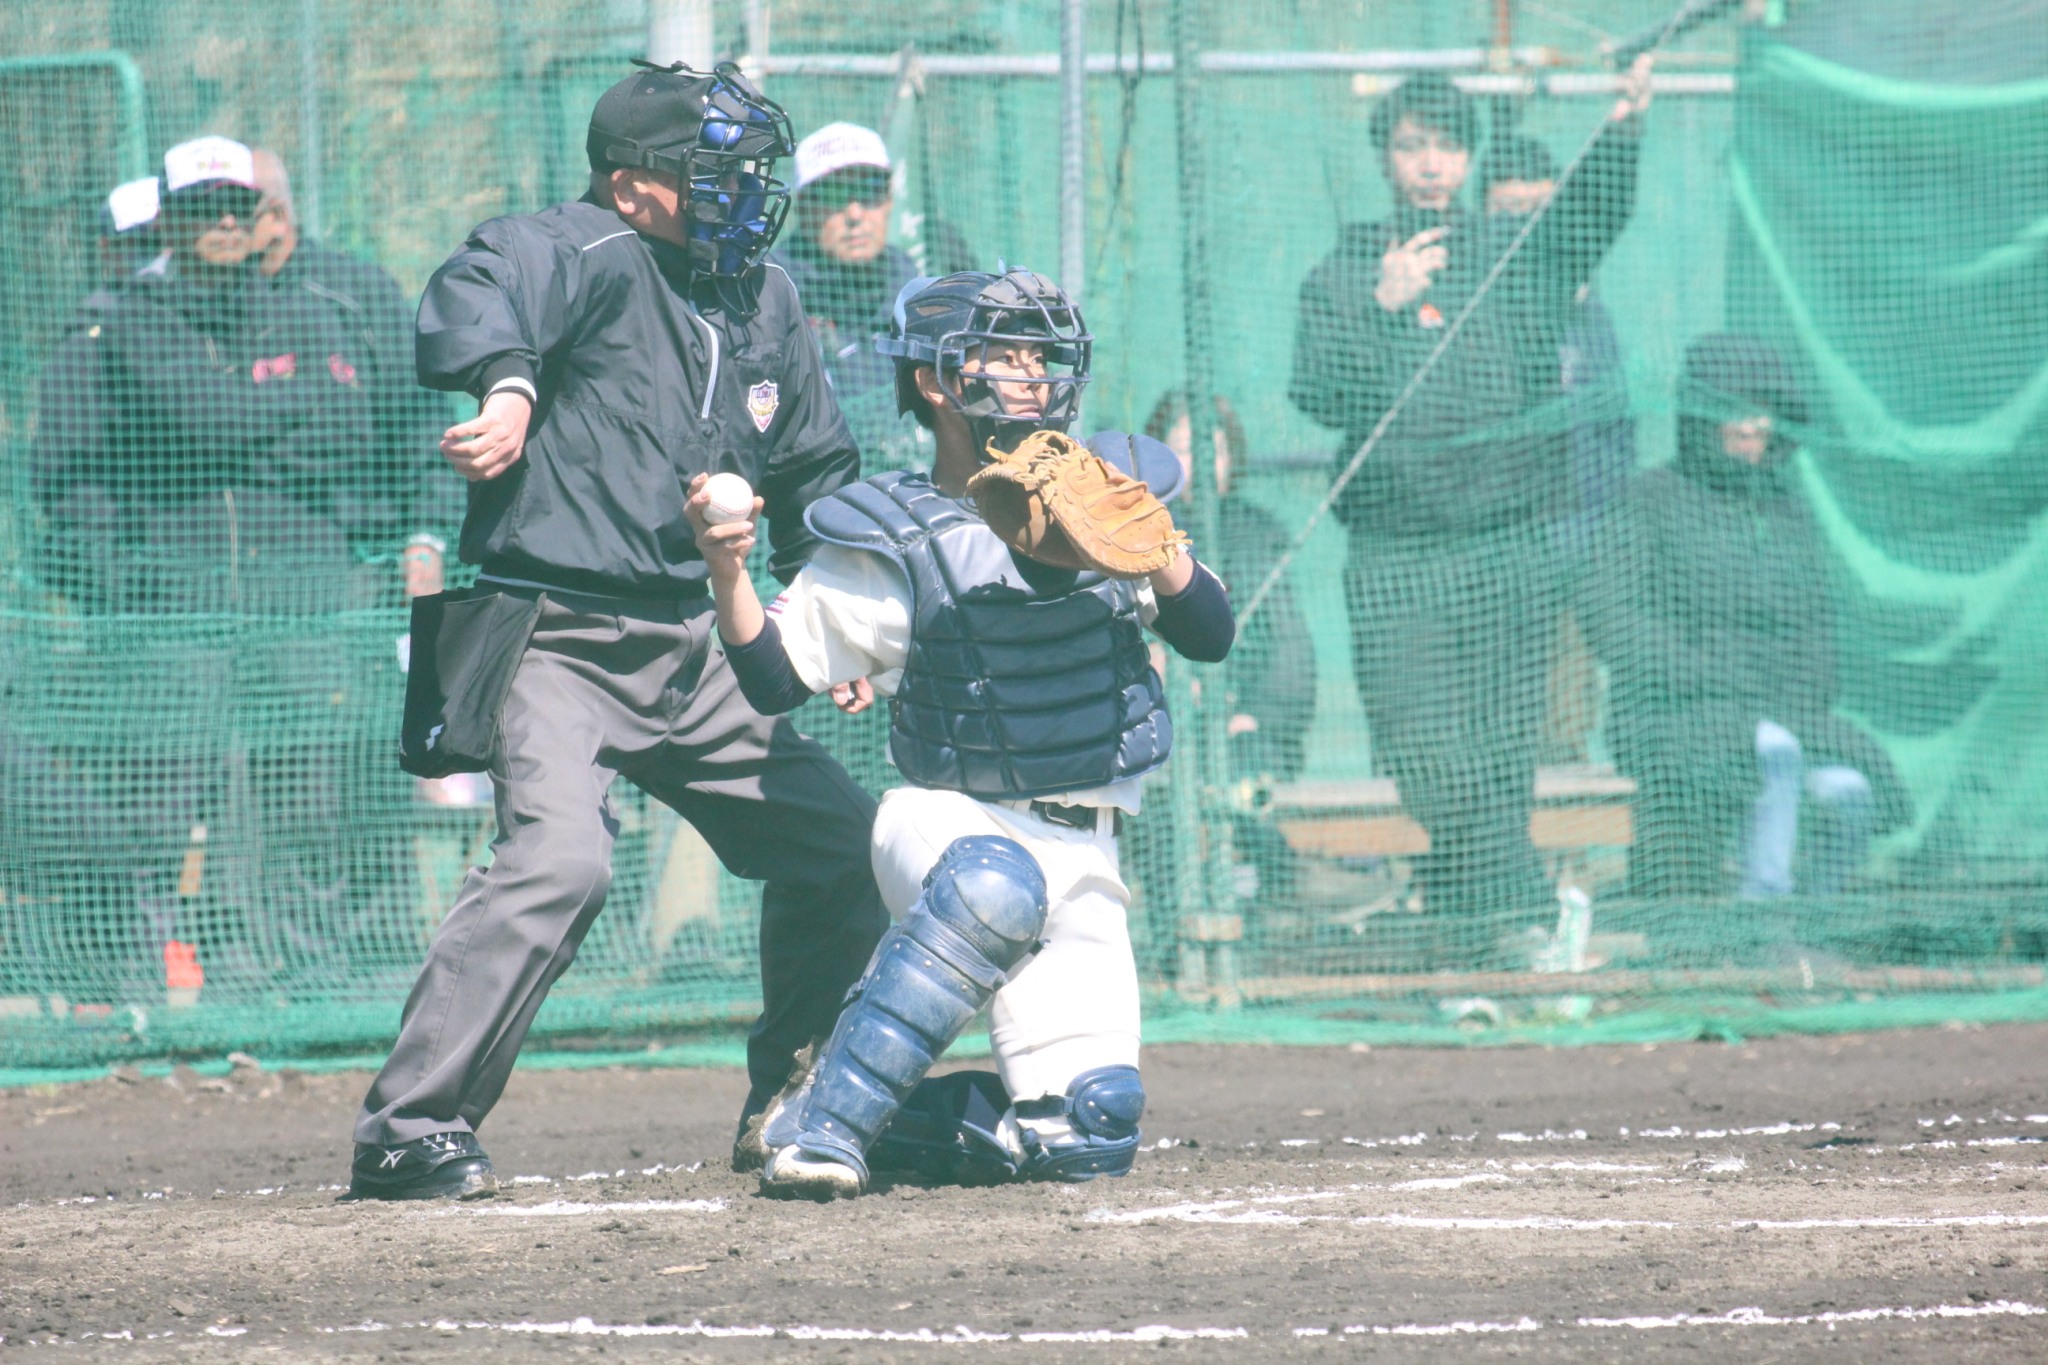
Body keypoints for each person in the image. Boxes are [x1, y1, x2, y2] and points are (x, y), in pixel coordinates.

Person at [344, 61, 890, 1202]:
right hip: (556, 637)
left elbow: (815, 472)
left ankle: (793, 1100)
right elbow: (480, 284)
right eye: (714, 173)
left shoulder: (764, 295)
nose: (746, 191)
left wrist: (832, 618)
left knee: (848, 847)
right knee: (561, 862)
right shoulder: (582, 247)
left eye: (749, 170)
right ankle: (409, 1127)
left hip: (700, 642)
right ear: (635, 185)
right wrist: (507, 388)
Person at [692, 269, 1234, 1199]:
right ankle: (824, 1133)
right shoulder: (895, 529)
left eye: (1039, 354)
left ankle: (838, 1106)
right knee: (992, 887)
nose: (1031, 372)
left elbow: (1211, 634)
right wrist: (725, 570)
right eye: (1003, 353)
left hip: (1086, 851)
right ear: (936, 381)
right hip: (951, 821)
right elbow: (776, 679)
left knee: (1088, 1131)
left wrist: (1161, 549)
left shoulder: (1107, 493)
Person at [1287, 65, 1652, 946]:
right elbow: (1320, 393)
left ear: (1468, 158)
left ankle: (1479, 947)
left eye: (1448, 146)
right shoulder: (1345, 271)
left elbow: (1587, 219)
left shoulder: (1513, 256)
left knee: (1500, 760)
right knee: (1425, 755)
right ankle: (1531, 916)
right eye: (1412, 145)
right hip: (1398, 556)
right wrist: (1383, 307)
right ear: (1384, 156)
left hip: (1509, 547)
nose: (1430, 164)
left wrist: (1624, 130)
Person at [1587, 335, 1908, 900]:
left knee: (1851, 791)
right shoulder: (1649, 498)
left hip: (1785, 712)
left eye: (1763, 413)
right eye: (1734, 411)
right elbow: (1613, 619)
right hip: (1674, 715)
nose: (1752, 427)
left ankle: (1816, 918)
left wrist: (1793, 696)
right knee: (1775, 752)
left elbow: (1817, 627)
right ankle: (1764, 915)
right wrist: (1712, 677)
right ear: (1700, 416)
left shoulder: (1787, 510)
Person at [248, 148, 461, 551]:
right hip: (252, 554)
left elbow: (422, 419)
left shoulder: (357, 293)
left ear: (276, 216)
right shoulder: (209, 306)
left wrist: (426, 538)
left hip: (365, 550)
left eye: (236, 209)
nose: (222, 224)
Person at [30, 175, 162, 606]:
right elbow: (63, 480)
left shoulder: (209, 324)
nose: (157, 261)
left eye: (166, 245)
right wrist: (116, 575)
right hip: (127, 586)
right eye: (142, 246)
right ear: (108, 250)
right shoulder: (85, 346)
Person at [770, 123, 923, 467]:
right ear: (803, 207)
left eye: (870, 191)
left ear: (889, 201)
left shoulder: (912, 289)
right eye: (834, 194)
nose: (855, 214)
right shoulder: (769, 294)